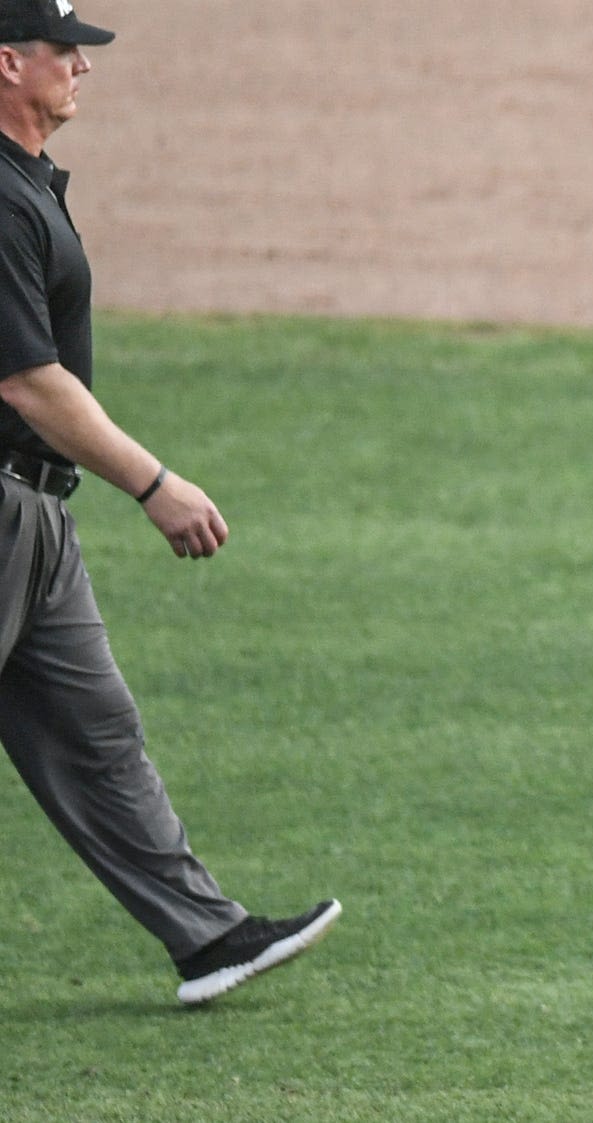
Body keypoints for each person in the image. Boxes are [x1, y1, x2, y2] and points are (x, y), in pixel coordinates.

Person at [0, 0, 339, 1005]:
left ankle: (208, 938)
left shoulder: (28, 186)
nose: (83, 69)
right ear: (7, 62)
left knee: (94, 731)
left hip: (35, 515)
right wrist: (153, 483)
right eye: (66, 52)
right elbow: (24, 380)